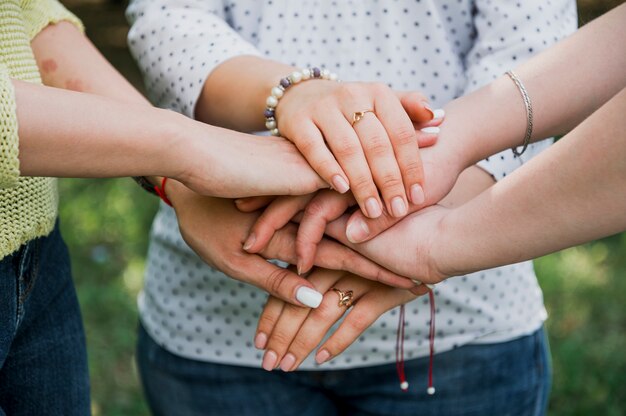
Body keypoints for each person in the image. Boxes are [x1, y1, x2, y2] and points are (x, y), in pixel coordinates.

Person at [125, 0, 577, 414]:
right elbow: (169, 17)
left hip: (461, 328)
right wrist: (292, 94)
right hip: (219, 329)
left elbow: (534, 53)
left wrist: (411, 216)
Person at [0, 0, 410, 412]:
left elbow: (22, 15)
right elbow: (168, 18)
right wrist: (185, 150)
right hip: (210, 335)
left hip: (35, 257)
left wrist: (177, 179)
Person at [245, 1, 626, 389]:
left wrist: (434, 236)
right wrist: (439, 154)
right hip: (218, 321)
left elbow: (529, 39)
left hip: (468, 326)